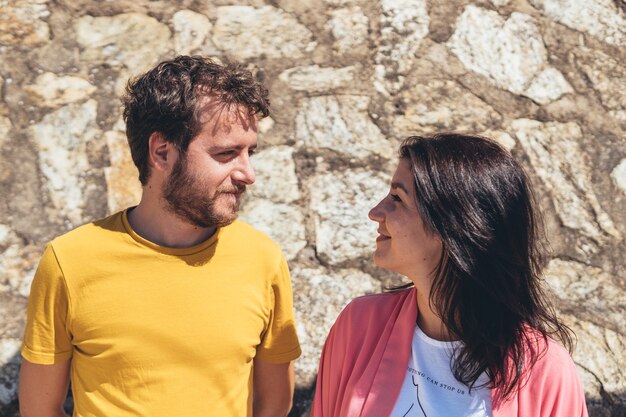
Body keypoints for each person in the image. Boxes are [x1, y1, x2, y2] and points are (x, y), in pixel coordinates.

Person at [19, 56, 301, 417]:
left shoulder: (263, 259)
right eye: (227, 153)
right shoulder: (69, 261)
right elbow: (39, 410)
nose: (248, 173)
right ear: (162, 152)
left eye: (250, 152)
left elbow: (273, 404)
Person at [312, 133, 588, 417]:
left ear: (455, 226)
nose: (375, 212)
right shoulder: (360, 325)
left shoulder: (544, 371)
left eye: (397, 198)